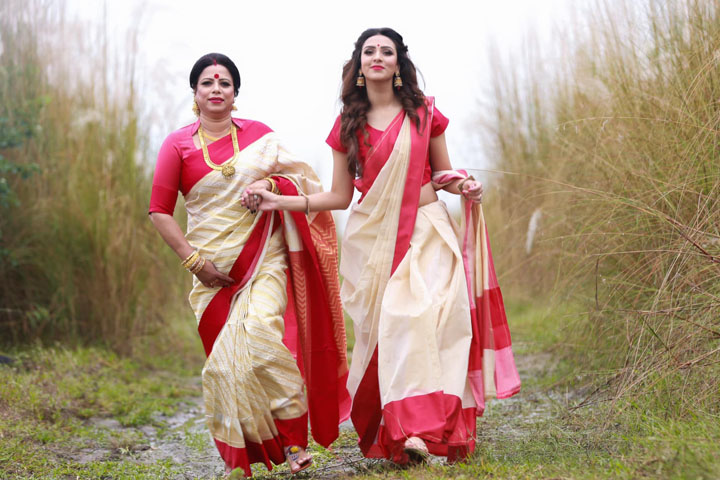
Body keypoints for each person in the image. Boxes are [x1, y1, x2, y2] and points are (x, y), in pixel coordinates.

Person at [247, 28, 521, 464]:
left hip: (428, 229)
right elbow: (339, 197)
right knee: (396, 324)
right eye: (369, 51)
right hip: (375, 240)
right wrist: (281, 201)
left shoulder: (424, 113)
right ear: (359, 65)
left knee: (431, 319)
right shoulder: (347, 125)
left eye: (386, 51)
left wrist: (465, 185)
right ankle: (402, 428)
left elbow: (442, 173)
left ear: (398, 64)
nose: (377, 56)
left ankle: (419, 430)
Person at [148, 53, 350, 477]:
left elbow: (302, 181)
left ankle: (293, 442)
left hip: (264, 260)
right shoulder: (177, 144)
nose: (216, 89)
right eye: (207, 83)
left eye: (224, 82)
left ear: (235, 92)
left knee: (258, 335)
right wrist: (195, 262)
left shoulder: (261, 137)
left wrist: (269, 182)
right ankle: (242, 456)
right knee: (226, 366)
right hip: (211, 274)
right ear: (195, 92)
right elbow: (159, 211)